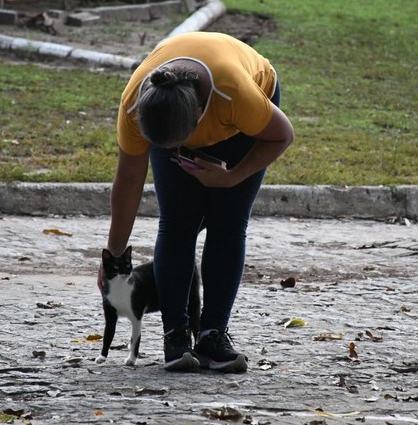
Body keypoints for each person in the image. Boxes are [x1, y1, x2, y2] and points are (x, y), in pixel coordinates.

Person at [105, 31, 294, 373]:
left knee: (228, 220)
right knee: (178, 220)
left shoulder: (233, 93)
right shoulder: (135, 104)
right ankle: (175, 335)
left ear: (198, 120)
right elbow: (129, 180)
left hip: (243, 122)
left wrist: (232, 176)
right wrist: (114, 254)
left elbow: (282, 135)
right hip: (176, 112)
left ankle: (212, 335)